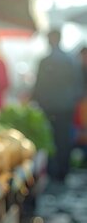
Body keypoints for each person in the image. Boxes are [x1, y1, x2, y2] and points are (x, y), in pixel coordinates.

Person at [32, 30, 85, 182]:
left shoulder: (45, 61)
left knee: (50, 138)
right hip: (66, 106)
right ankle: (63, 170)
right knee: (64, 138)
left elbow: (39, 86)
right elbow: (78, 85)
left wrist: (36, 100)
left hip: (49, 106)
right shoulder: (71, 60)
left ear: (50, 40)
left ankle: (52, 171)